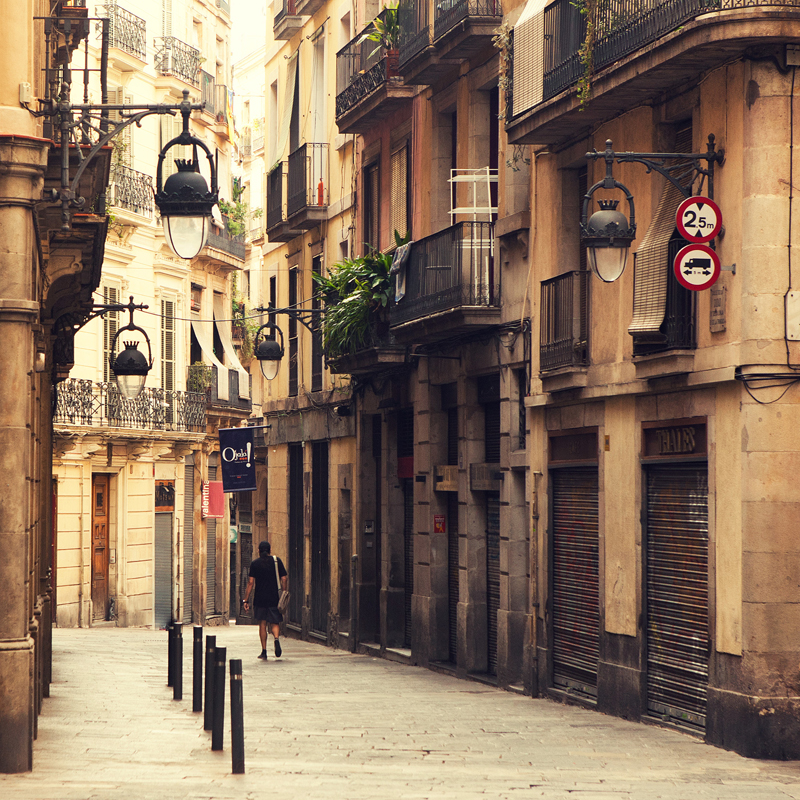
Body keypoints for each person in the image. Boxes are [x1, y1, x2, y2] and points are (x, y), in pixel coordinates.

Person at [243, 541, 288, 660]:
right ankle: (277, 639)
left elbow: (251, 583)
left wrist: (245, 600)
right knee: (274, 622)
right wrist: (283, 592)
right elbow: (284, 578)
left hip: (260, 597)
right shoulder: (277, 561)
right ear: (270, 550)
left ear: (258, 551)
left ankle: (264, 651)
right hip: (274, 597)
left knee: (262, 624)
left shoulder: (255, 564)